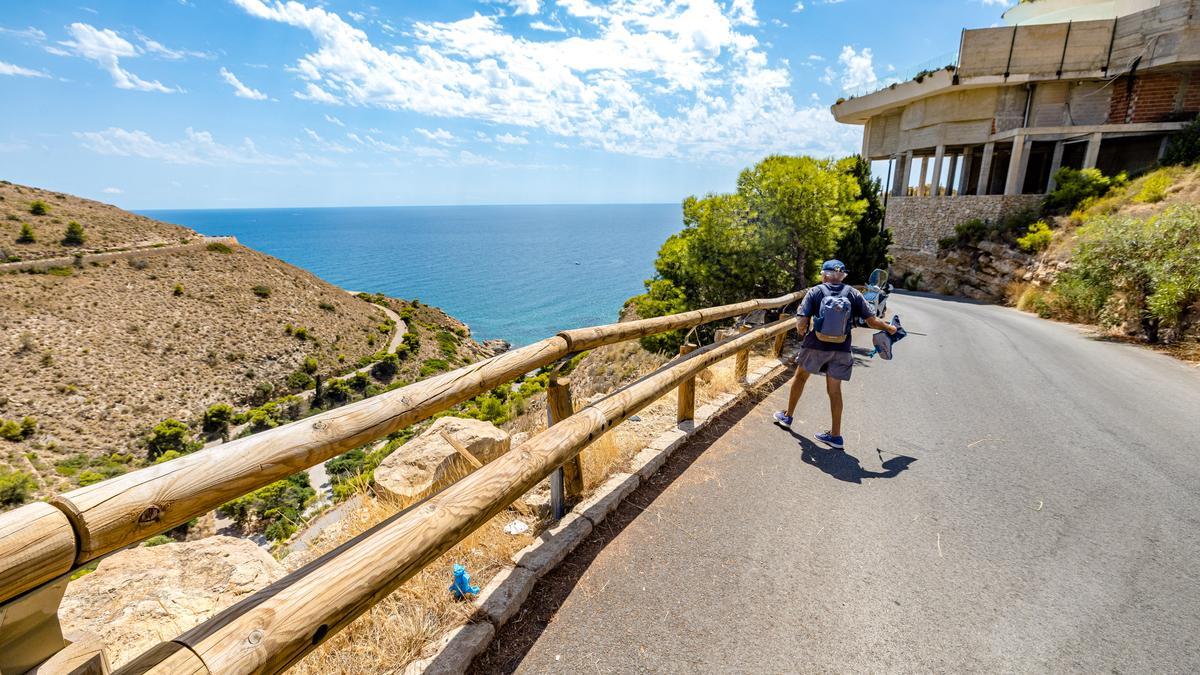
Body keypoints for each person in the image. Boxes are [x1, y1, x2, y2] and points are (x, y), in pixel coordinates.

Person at [773, 259, 898, 449]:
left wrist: (803, 330)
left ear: (824, 275)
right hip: (841, 349)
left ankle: (787, 416)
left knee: (800, 378)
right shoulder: (853, 293)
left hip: (815, 345)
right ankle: (836, 436)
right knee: (834, 391)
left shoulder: (815, 291)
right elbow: (872, 321)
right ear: (842, 276)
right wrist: (889, 328)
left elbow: (801, 323)